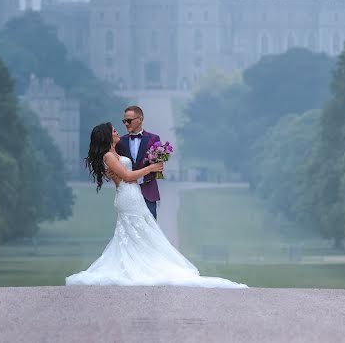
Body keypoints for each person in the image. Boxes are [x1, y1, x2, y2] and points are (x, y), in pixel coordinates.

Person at [65, 122, 247, 288]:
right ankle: (138, 268)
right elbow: (128, 177)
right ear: (106, 135)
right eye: (113, 130)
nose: (117, 131)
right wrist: (151, 168)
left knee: (140, 233)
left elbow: (129, 174)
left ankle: (139, 264)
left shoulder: (114, 154)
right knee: (138, 233)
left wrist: (151, 162)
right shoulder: (108, 156)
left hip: (132, 195)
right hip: (128, 197)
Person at [116, 105, 161, 218]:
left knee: (150, 232)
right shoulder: (120, 142)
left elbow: (158, 167)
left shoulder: (154, 139)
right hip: (128, 194)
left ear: (140, 119)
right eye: (124, 121)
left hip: (148, 194)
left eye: (129, 121)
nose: (126, 124)